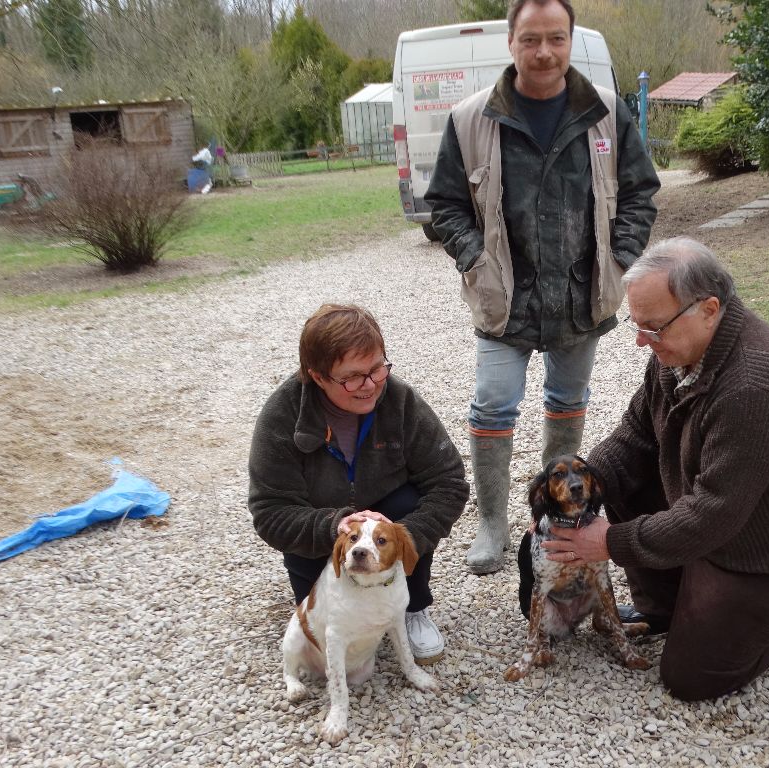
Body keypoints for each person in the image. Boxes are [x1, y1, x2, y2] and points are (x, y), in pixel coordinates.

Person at [541, 238, 769, 700]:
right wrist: (579, 486)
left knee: (693, 677)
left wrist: (608, 542)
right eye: (638, 325)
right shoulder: (679, 351)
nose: (640, 342)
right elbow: (635, 437)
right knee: (610, 483)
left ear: (709, 308)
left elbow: (712, 515)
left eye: (653, 328)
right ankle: (667, 605)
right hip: (732, 515)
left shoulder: (754, 387)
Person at [424, 0, 660, 575]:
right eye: (531, 39)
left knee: (567, 402)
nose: (544, 52)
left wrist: (621, 257)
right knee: (492, 404)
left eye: (556, 38)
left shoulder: (606, 113)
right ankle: (492, 523)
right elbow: (444, 205)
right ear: (511, 43)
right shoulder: (469, 119)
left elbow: (639, 194)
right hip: (504, 300)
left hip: (581, 298)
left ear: (570, 40)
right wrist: (476, 259)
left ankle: (553, 518)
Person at [248, 304, 469, 664]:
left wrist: (402, 539)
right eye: (352, 377)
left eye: (377, 369)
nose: (369, 386)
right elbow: (270, 512)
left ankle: (411, 608)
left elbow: (450, 482)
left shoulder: (401, 401)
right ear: (317, 376)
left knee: (409, 503)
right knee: (324, 637)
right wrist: (336, 525)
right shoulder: (281, 416)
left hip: (391, 523)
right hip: (322, 545)